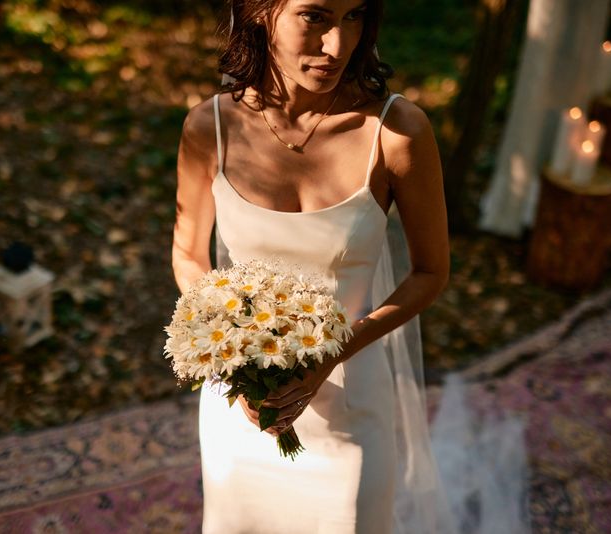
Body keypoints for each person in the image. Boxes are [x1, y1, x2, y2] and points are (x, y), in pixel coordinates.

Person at [171, 0, 455, 532]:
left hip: (351, 399)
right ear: (261, 12)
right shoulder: (208, 127)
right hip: (242, 405)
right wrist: (233, 355)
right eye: (316, 16)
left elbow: (430, 273)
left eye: (354, 16)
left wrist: (331, 354)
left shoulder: (397, 132)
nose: (338, 45)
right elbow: (189, 255)